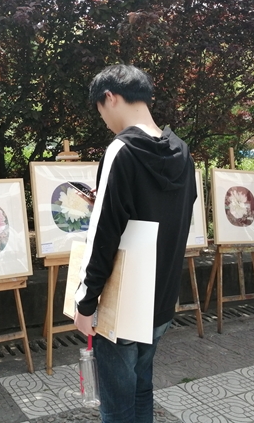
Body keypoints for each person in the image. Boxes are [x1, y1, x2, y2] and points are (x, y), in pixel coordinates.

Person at [73, 65, 197, 422]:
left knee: (116, 405)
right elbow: (170, 213)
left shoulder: (122, 149)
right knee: (142, 389)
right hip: (161, 300)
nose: (104, 121)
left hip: (122, 304)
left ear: (110, 97)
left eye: (101, 110)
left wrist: (85, 302)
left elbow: (103, 235)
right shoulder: (181, 152)